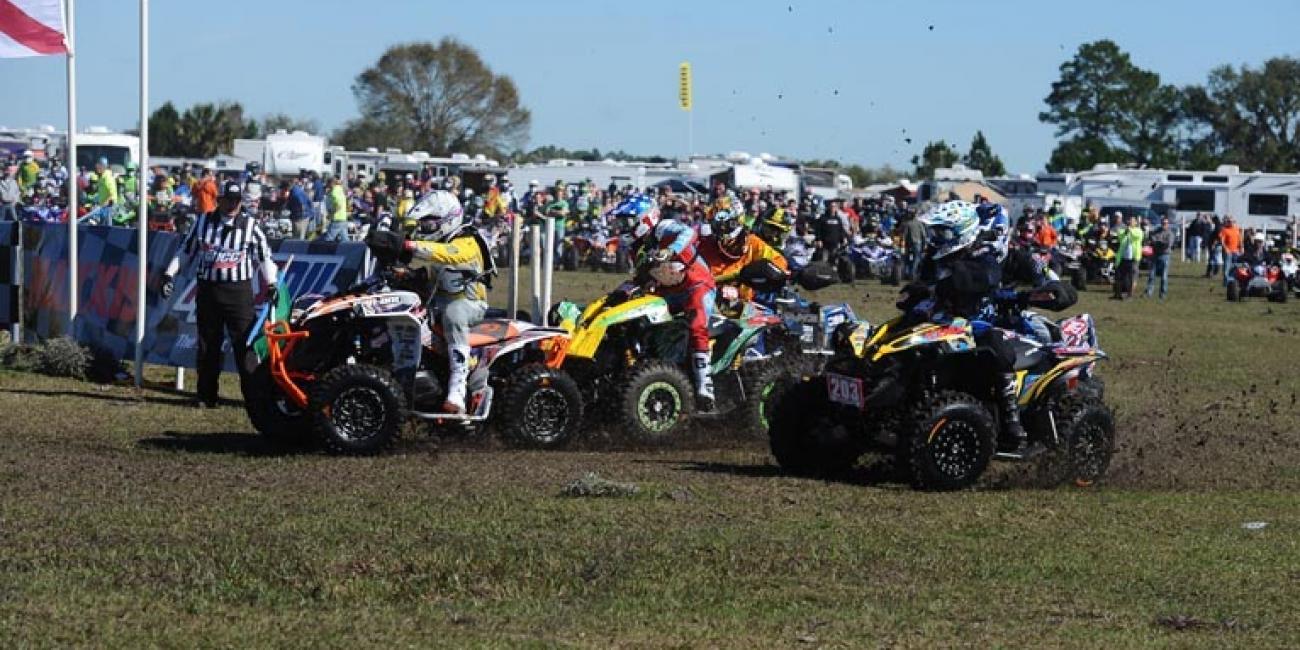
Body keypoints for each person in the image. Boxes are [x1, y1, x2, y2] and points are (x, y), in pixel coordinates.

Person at [902, 201, 1042, 456]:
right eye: (935, 232)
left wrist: (937, 287)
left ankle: (1012, 422)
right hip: (939, 322)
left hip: (977, 323)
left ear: (962, 232)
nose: (936, 238)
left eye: (942, 232)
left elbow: (980, 280)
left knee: (997, 347)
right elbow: (924, 287)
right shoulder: (936, 260)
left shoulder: (982, 258)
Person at [160, 181, 278, 408]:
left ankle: (254, 398)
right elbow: (186, 251)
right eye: (228, 199)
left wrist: (271, 283)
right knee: (207, 345)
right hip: (208, 291)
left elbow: (264, 257)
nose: (232, 205)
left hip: (238, 294)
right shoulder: (203, 222)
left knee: (246, 344)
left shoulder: (251, 225)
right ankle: (206, 396)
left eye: (237, 200)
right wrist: (169, 274)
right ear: (219, 200)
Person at [615, 193, 718, 409]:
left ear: (644, 219)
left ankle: (704, 386)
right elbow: (642, 278)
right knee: (637, 319)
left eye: (627, 220)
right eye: (621, 221)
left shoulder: (663, 227)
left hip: (697, 285)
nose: (623, 226)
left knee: (697, 325)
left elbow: (688, 232)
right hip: (667, 292)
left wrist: (670, 250)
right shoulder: (638, 248)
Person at [397, 190, 495, 414]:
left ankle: (457, 389)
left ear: (448, 220)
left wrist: (412, 246)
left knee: (454, 314)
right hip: (437, 301)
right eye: (423, 224)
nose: (425, 229)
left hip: (470, 303)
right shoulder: (437, 242)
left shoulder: (468, 241)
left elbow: (450, 255)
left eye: (430, 225)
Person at [697, 208, 788, 305]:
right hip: (704, 299)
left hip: (742, 306)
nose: (772, 234)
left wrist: (763, 270)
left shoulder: (754, 244)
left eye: (777, 231)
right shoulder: (703, 245)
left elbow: (779, 264)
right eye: (769, 228)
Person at [1113, 213, 1143, 300]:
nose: (1130, 222)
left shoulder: (1139, 231)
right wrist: (1126, 231)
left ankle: (1130, 295)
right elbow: (1120, 235)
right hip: (1123, 257)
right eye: (1129, 221)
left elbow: (1136, 236)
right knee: (1119, 276)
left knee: (1132, 278)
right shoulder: (1124, 231)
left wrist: (1130, 230)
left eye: (1132, 221)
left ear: (1136, 223)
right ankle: (1118, 294)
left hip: (1133, 258)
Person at [1144, 216, 1174, 299]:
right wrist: (1158, 243)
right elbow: (1152, 240)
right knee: (1151, 275)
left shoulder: (1170, 233)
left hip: (1165, 256)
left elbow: (1167, 245)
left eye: (1166, 223)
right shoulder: (1156, 231)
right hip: (1155, 255)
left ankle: (1162, 294)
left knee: (1164, 277)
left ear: (1168, 224)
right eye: (1163, 223)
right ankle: (1148, 293)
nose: (1164, 224)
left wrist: (1157, 243)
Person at [900, 209, 928, 279]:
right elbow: (924, 235)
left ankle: (906, 273)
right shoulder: (919, 224)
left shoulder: (907, 224)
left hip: (908, 244)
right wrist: (924, 245)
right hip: (917, 243)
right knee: (917, 258)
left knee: (907, 259)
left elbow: (904, 236)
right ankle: (913, 273)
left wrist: (903, 246)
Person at [1218, 215, 1242, 286]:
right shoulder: (1224, 230)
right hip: (1228, 251)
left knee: (1236, 266)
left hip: (1236, 251)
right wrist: (1226, 249)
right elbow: (1222, 241)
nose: (1230, 223)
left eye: (1232, 221)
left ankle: (1234, 281)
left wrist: (1241, 248)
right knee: (1227, 267)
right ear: (1227, 222)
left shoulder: (1237, 229)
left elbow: (1239, 239)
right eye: (1229, 221)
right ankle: (1226, 282)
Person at [323, 177, 350, 242]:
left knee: (328, 238)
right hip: (343, 217)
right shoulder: (340, 189)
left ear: (331, 183)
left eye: (327, 183)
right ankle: (349, 251)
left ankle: (324, 251)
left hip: (337, 218)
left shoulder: (334, 192)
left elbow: (339, 205)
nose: (327, 185)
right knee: (345, 239)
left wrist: (331, 214)